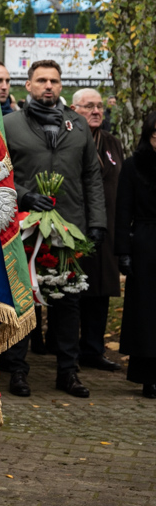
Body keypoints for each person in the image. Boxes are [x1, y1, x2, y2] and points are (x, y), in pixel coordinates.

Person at [0, 60, 107, 398]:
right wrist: (23, 196)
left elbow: (92, 176)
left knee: (68, 301)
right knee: (24, 299)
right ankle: (17, 370)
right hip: (23, 227)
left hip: (69, 227)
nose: (49, 86)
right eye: (41, 80)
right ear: (27, 85)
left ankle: (68, 371)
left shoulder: (77, 124)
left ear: (62, 87)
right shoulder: (9, 124)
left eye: (54, 81)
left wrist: (97, 222)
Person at [70, 88, 124, 372]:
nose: (96, 111)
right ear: (74, 109)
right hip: (75, 226)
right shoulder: (67, 139)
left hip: (108, 228)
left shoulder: (113, 143)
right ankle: (65, 350)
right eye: (89, 106)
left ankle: (93, 349)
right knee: (72, 289)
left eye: (100, 106)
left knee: (101, 290)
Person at [117, 111, 156, 399]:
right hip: (146, 244)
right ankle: (147, 377)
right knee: (146, 312)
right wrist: (124, 251)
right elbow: (122, 211)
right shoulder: (133, 166)